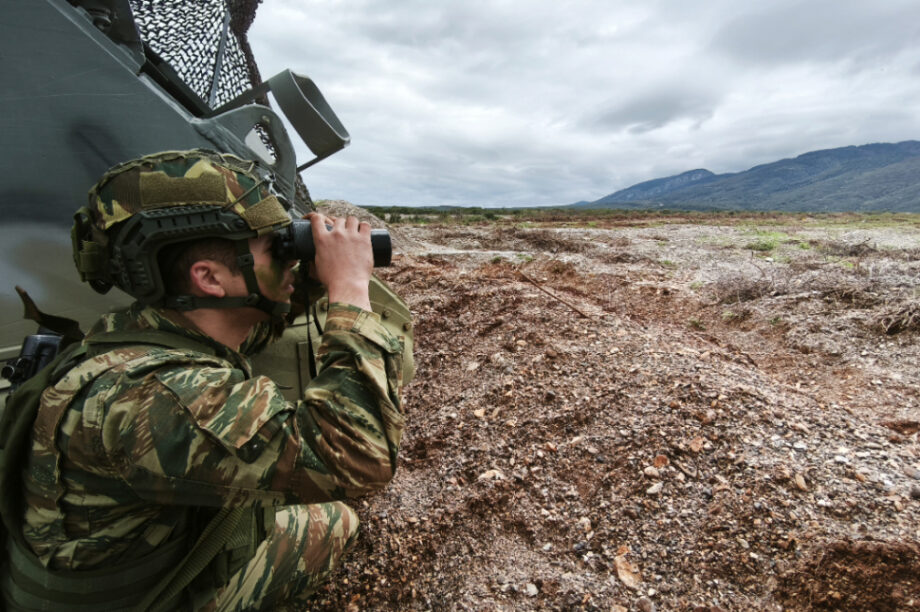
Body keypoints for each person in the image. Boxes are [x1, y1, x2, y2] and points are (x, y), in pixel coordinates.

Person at [1, 150, 406, 610]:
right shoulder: (157, 395)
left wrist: (304, 277)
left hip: (124, 561)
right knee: (336, 519)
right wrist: (350, 288)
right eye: (275, 247)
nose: (288, 258)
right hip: (147, 595)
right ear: (209, 278)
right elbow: (357, 456)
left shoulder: (137, 333)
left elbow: (248, 328)